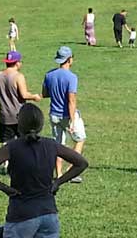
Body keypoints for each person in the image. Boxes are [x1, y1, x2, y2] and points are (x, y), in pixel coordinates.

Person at [0, 103, 88, 238]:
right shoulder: (51, 145)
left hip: (21, 214)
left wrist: (6, 189)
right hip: (49, 214)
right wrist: (58, 182)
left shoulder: (12, 147)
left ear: (19, 122)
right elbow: (82, 163)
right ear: (41, 124)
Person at [42, 46, 85, 182]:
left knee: (58, 145)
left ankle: (59, 174)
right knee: (80, 139)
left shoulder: (49, 75)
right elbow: (71, 100)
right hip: (66, 114)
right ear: (69, 59)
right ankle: (71, 171)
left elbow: (45, 94)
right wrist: (73, 120)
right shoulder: (71, 77)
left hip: (54, 114)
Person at [0, 51, 43, 146]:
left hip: (5, 117)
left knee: (6, 145)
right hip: (19, 116)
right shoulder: (18, 76)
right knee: (24, 144)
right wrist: (34, 96)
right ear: (17, 63)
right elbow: (24, 95)